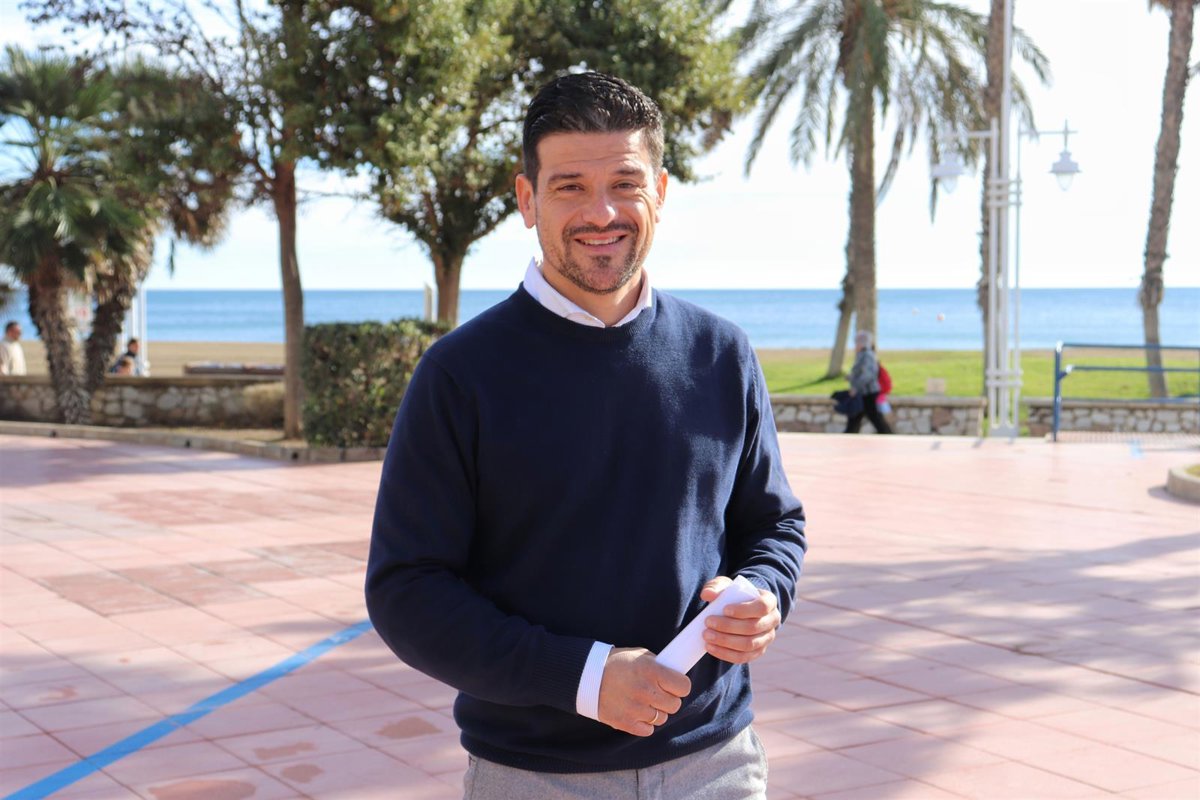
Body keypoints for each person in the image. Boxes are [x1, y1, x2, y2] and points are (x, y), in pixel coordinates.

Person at [366, 72, 807, 799]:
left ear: (659, 192)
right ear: (526, 200)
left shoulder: (722, 353)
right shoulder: (459, 375)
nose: (601, 213)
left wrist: (763, 593)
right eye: (569, 186)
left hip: (718, 762)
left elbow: (774, 523)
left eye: (624, 184)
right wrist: (584, 677)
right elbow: (405, 591)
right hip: (534, 777)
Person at [844, 330, 893, 434]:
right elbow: (861, 373)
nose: (855, 345)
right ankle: (849, 435)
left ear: (862, 343)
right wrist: (851, 377)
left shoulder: (867, 355)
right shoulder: (862, 355)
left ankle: (888, 435)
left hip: (869, 393)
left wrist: (856, 387)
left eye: (856, 342)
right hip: (864, 392)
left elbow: (868, 375)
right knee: (856, 417)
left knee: (874, 417)